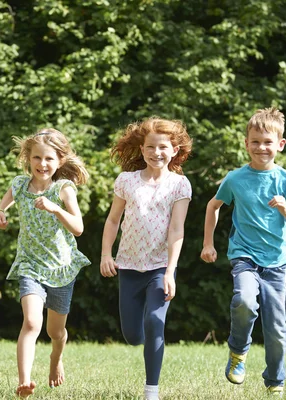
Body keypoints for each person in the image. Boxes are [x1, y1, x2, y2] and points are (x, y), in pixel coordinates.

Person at [200, 107, 286, 397]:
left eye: (268, 142)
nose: (262, 147)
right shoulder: (235, 178)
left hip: (276, 264)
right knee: (245, 300)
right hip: (243, 255)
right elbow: (213, 206)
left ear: (280, 144)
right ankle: (238, 351)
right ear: (246, 143)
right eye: (256, 141)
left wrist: (285, 208)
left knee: (276, 329)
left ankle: (275, 381)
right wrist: (208, 243)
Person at [100, 117, 192, 400]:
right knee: (132, 335)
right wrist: (106, 254)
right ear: (142, 150)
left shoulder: (180, 184)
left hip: (160, 267)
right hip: (128, 266)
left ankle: (151, 390)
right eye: (150, 147)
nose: (157, 153)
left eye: (163, 147)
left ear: (174, 150)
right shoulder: (126, 181)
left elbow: (177, 229)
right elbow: (113, 220)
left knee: (155, 321)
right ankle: (141, 339)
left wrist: (170, 271)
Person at [0, 128, 90, 397]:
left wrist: (56, 208)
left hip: (61, 267)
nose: (42, 164)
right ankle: (24, 382)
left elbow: (79, 228)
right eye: (37, 158)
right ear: (28, 158)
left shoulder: (63, 189)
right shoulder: (18, 185)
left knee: (55, 332)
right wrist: (0, 213)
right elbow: (5, 204)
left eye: (49, 159)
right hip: (29, 264)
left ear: (60, 161)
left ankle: (56, 358)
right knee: (32, 323)